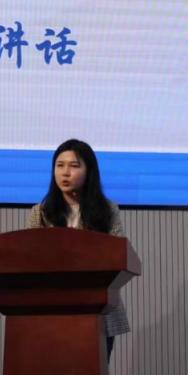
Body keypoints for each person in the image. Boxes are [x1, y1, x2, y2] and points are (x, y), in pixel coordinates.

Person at [26, 139, 130, 360]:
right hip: (52, 309)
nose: (65, 172)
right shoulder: (40, 212)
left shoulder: (108, 210)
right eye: (59, 165)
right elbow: (31, 259)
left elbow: (118, 256)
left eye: (74, 166)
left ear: (89, 172)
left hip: (99, 310)